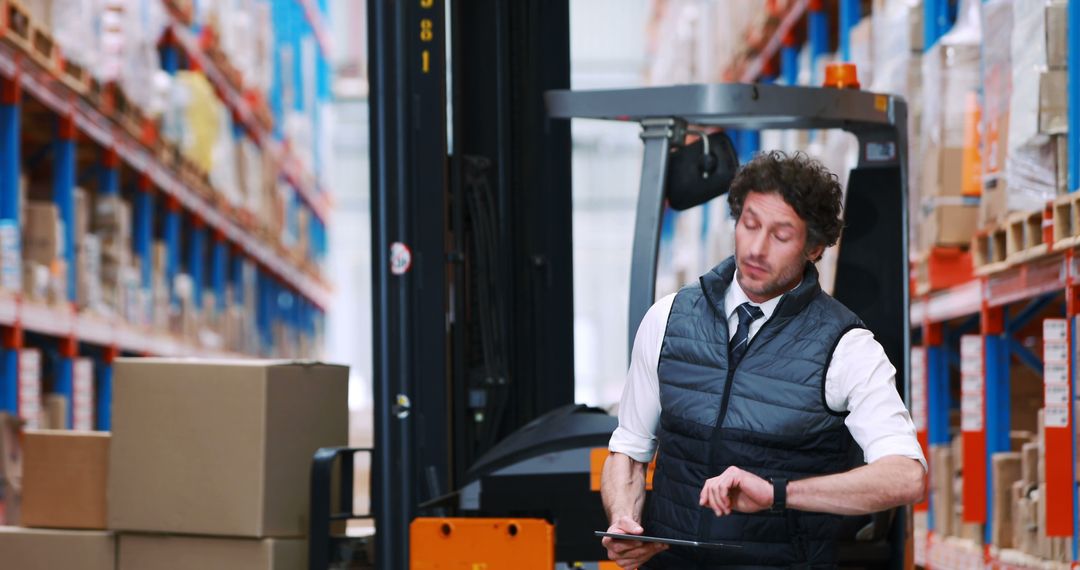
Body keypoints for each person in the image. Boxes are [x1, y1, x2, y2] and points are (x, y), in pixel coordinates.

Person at [600, 151, 927, 569]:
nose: (756, 248)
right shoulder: (667, 320)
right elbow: (628, 451)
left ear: (814, 247)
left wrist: (779, 493)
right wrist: (623, 520)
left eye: (781, 234)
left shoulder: (847, 347)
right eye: (750, 224)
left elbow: (905, 477)